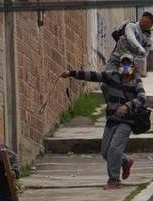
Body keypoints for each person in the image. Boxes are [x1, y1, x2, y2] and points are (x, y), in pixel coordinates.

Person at [61, 54, 145, 189]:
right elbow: (93, 76)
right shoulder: (112, 77)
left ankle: (114, 180)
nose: (125, 66)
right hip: (111, 120)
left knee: (114, 149)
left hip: (126, 122)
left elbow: (142, 99)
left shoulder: (137, 81)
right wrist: (71, 73)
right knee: (105, 152)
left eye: (128, 64)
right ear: (119, 66)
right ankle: (126, 161)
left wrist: (127, 106)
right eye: (123, 63)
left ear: (133, 66)